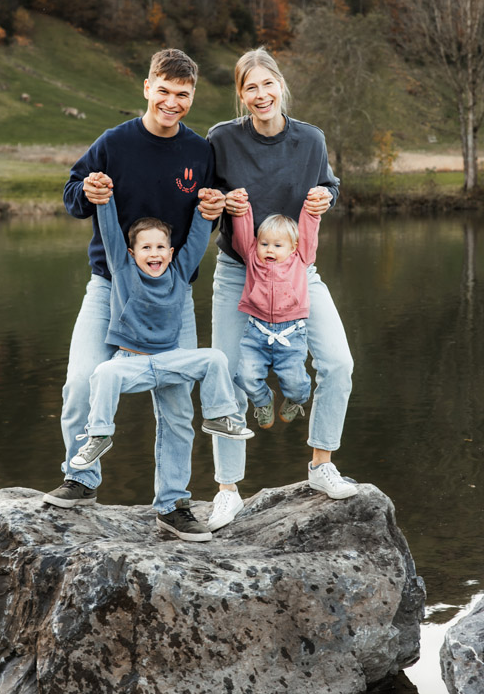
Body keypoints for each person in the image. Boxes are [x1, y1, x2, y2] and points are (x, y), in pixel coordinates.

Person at [43, 48, 226, 542]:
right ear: (147, 88)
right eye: (163, 91)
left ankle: (172, 503)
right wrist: (90, 192)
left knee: (176, 402)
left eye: (182, 95)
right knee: (82, 381)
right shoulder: (114, 143)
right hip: (109, 287)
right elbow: (72, 194)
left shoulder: (199, 152)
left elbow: (214, 213)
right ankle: (81, 479)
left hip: (173, 297)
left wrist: (218, 204)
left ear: (192, 97)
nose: (171, 102)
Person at [205, 46, 357, 533]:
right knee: (224, 373)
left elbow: (328, 185)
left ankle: (321, 465)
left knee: (338, 362)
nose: (261, 94)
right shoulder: (222, 139)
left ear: (281, 86)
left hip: (297, 273)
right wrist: (221, 201)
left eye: (268, 84)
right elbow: (204, 199)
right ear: (241, 95)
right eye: (250, 87)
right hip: (237, 273)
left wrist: (324, 197)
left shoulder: (310, 140)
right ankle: (228, 490)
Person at [68, 175, 253, 508]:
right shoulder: (123, 271)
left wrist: (205, 212)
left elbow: (197, 239)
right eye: (146, 248)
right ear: (131, 252)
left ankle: (219, 415)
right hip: (132, 362)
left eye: (159, 248)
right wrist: (104, 199)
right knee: (102, 374)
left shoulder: (179, 274)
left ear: (170, 251)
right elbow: (110, 233)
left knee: (215, 358)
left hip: (170, 361)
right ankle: (98, 436)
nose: (154, 254)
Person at [229, 191, 319, 429]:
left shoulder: (301, 258)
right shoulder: (252, 258)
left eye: (278, 245)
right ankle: (263, 400)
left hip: (291, 334)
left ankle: (296, 399)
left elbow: (309, 233)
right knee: (244, 375)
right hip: (256, 331)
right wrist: (241, 207)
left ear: (293, 248)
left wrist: (311, 210)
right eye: (264, 243)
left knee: (296, 384)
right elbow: (242, 236)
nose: (269, 250)